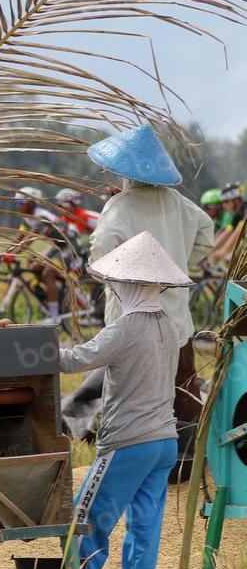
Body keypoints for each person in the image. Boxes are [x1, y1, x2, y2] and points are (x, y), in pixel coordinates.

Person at [0, 232, 192, 569]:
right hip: (165, 441)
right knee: (145, 525)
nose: (112, 289)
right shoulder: (168, 323)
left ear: (128, 285)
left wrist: (20, 336)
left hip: (128, 443)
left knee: (87, 521)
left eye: (116, 283)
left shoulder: (126, 327)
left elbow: (73, 360)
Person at [87, 124, 215, 478]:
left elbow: (100, 251)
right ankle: (186, 464)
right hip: (175, 319)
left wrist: (114, 276)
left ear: (125, 173)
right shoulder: (178, 202)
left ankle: (128, 464)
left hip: (130, 319)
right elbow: (206, 233)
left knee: (130, 392)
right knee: (183, 387)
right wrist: (179, 262)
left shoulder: (119, 206)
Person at [2, 186, 76, 320]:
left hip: (70, 246)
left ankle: (54, 315)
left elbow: (28, 240)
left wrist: (13, 254)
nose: (18, 206)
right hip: (57, 246)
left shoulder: (40, 216)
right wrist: (2, 253)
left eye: (20, 203)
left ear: (30, 203)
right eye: (16, 203)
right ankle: (56, 293)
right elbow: (18, 238)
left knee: (48, 273)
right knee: (34, 266)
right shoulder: (28, 218)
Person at [210, 182, 246, 263]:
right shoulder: (237, 215)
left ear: (236, 200)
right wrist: (208, 251)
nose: (223, 205)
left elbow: (238, 232)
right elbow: (227, 232)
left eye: (226, 202)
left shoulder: (245, 211)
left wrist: (223, 252)